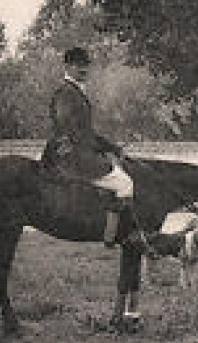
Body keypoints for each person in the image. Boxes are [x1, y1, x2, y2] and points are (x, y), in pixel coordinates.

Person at [45, 45, 135, 248]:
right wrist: (101, 149)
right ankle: (114, 237)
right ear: (67, 67)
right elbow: (70, 130)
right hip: (71, 157)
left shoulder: (74, 92)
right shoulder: (67, 93)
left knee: (119, 172)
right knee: (125, 183)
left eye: (86, 66)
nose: (84, 70)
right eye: (79, 66)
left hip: (75, 152)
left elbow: (86, 133)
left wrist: (112, 148)